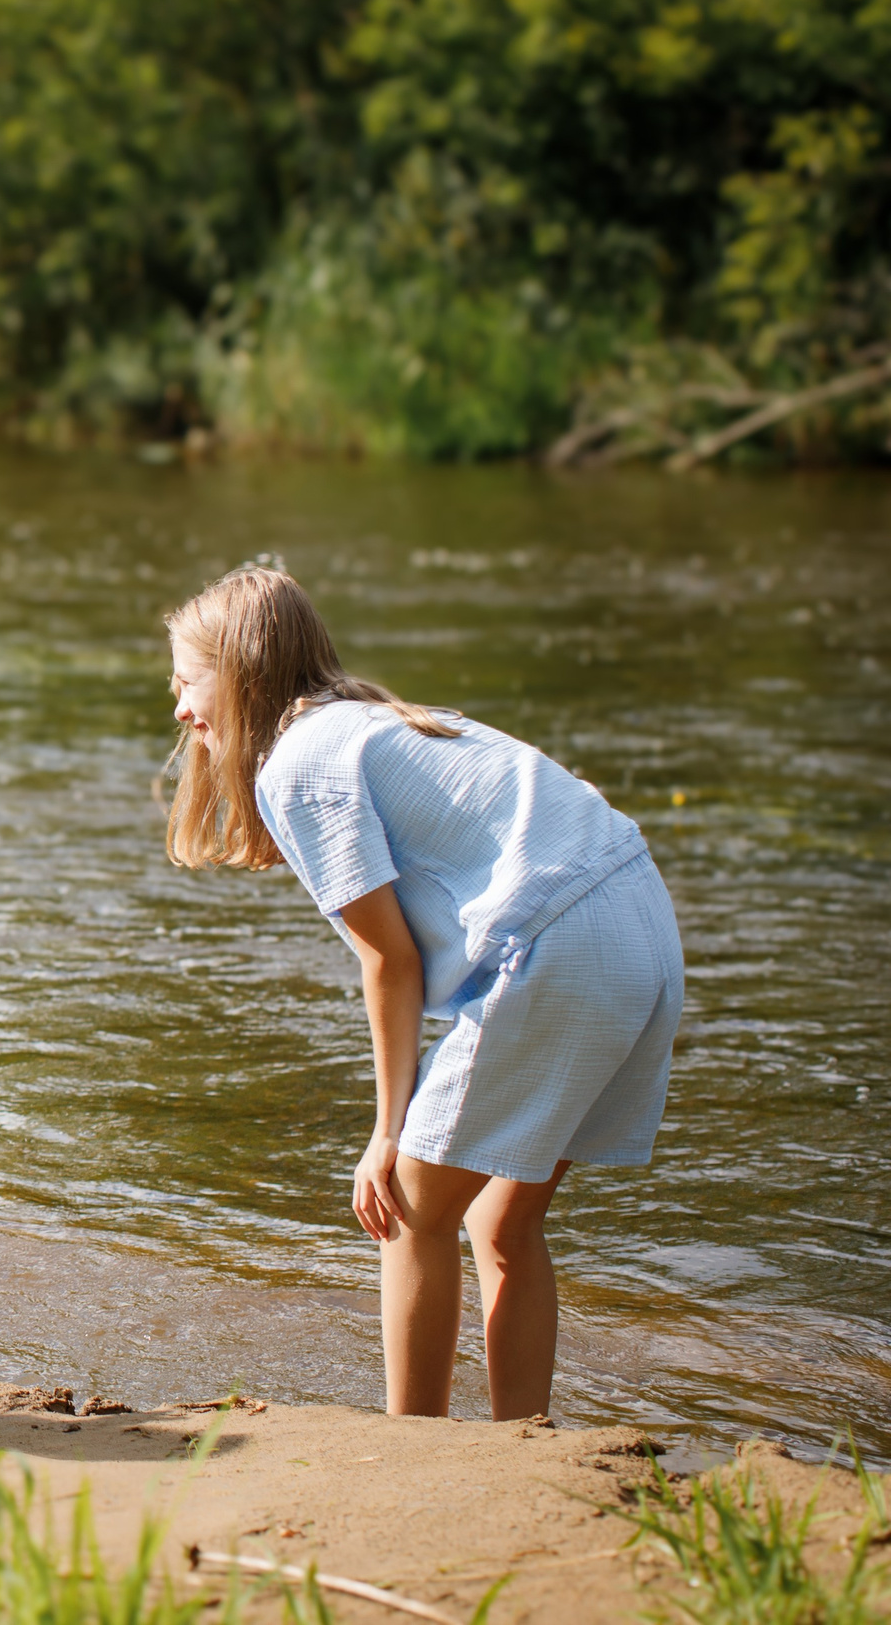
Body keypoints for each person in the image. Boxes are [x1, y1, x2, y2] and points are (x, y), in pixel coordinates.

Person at [163, 564, 681, 1420]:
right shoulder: (373, 724)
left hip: (561, 942)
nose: (181, 708)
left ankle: (414, 1444)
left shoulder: (300, 762)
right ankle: (526, 1436)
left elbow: (390, 961)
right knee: (500, 1222)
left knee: (404, 1204)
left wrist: (386, 1131)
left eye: (188, 682)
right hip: (640, 923)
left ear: (244, 674)